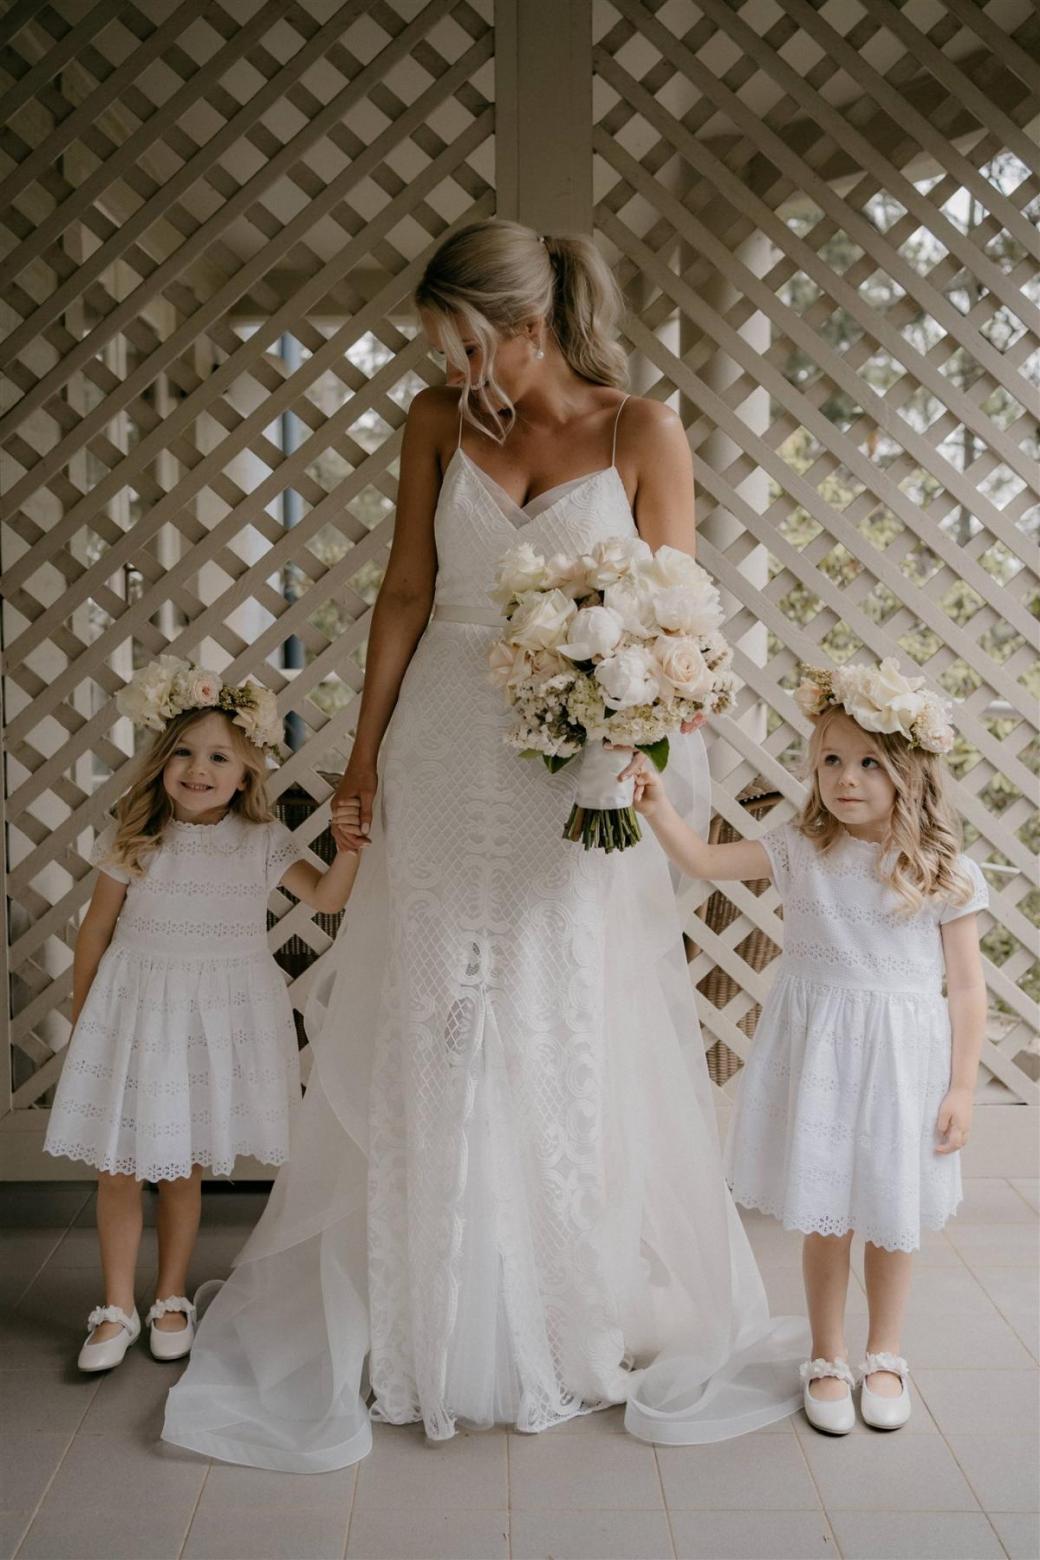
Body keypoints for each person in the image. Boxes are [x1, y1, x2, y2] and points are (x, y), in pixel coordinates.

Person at [163, 219, 806, 1471]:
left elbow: (678, 625)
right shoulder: (434, 421)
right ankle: (428, 1313)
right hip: (441, 747)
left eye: (468, 344)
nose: (454, 369)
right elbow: (406, 588)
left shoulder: (640, 430)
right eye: (436, 347)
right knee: (431, 1010)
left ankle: (561, 1312)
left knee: (551, 1010)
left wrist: (637, 735)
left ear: (528, 327)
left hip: (567, 766)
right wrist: (358, 759)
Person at [622, 659, 988, 1433]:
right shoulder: (801, 851)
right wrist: (658, 808)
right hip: (823, 1064)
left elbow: (967, 987)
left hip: (901, 1071)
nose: (845, 779)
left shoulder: (944, 871)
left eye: (866, 763)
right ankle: (827, 1353)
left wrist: (959, 1087)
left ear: (908, 773)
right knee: (827, 1216)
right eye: (830, 759)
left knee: (892, 1213)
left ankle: (884, 1352)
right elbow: (705, 863)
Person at [45, 663, 359, 1372]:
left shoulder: (261, 842)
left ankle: (171, 1297)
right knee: (120, 1168)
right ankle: (115, 1308)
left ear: (246, 772)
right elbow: (96, 929)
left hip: (211, 1019)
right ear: (163, 762)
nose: (198, 769)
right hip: (134, 1013)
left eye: (220, 757)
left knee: (182, 1167)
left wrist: (350, 845)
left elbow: (329, 900)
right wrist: (88, 1015)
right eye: (184, 753)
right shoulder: (135, 835)